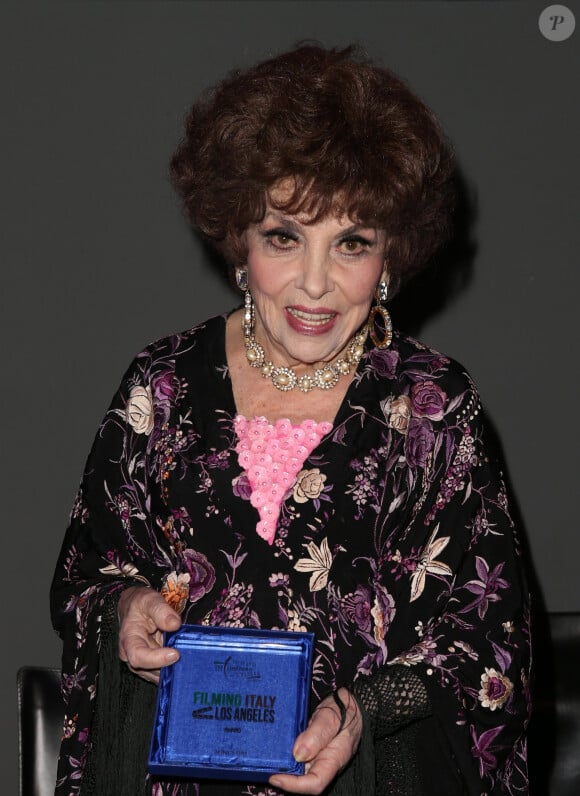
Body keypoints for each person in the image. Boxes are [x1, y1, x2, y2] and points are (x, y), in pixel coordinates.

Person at [50, 43, 531, 796]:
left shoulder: (433, 410)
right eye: (285, 237)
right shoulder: (163, 387)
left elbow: (486, 647)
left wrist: (364, 710)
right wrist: (127, 610)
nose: (315, 283)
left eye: (352, 243)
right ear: (240, 240)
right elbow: (88, 578)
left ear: (389, 261)